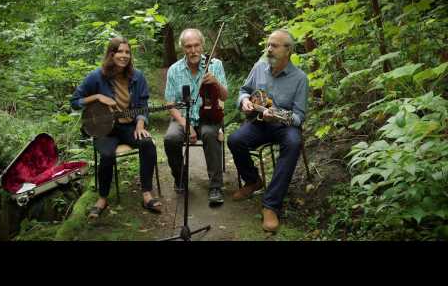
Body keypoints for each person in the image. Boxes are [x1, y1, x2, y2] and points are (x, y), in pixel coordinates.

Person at [227, 29, 309, 232]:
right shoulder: (259, 67)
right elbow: (244, 90)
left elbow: (299, 116)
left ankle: (271, 205)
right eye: (268, 45)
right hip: (259, 122)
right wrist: (244, 100)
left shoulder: (300, 78)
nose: (268, 49)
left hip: (283, 126)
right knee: (235, 139)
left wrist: (279, 115)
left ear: (288, 50)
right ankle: (253, 181)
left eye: (274, 46)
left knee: (293, 143)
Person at [71, 37, 162, 219]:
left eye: (127, 52)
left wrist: (140, 122)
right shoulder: (96, 76)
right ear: (111, 54)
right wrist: (97, 97)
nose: (124, 55)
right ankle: (103, 198)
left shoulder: (138, 77)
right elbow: (75, 102)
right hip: (105, 130)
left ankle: (146, 194)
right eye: (120, 51)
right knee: (106, 154)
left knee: (147, 144)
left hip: (129, 127)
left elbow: (143, 105)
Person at [164, 28, 228, 206]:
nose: (193, 50)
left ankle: (215, 187)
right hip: (183, 117)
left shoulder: (215, 65)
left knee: (210, 134)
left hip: (209, 116)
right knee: (170, 139)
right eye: (188, 46)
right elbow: (170, 103)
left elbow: (224, 97)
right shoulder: (174, 70)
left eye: (196, 45)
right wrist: (185, 125)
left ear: (202, 45)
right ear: (182, 48)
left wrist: (215, 81)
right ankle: (181, 178)